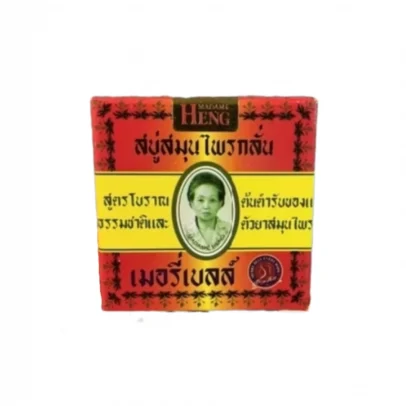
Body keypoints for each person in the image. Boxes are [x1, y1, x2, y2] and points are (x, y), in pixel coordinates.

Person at [182, 172, 232, 252]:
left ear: (220, 203)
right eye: (200, 200)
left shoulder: (230, 230)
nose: (206, 206)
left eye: (212, 200)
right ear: (191, 203)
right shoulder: (183, 232)